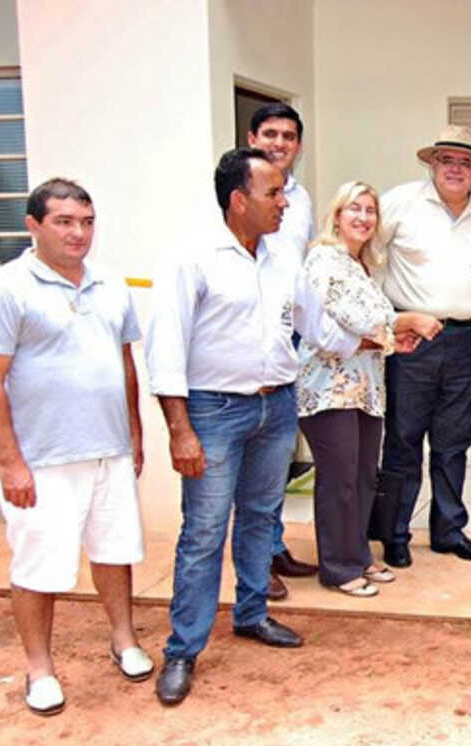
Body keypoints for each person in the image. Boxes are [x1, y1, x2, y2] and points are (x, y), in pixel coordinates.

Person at [146, 147, 370, 705]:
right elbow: (166, 351)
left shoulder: (283, 258)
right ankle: (182, 649)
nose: (284, 202)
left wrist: (386, 337)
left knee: (260, 518)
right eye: (274, 193)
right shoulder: (193, 258)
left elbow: (320, 329)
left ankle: (251, 615)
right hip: (213, 411)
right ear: (238, 199)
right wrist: (180, 429)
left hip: (276, 409)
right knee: (203, 532)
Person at [0, 179, 153, 716]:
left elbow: (125, 361)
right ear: (34, 225)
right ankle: (39, 669)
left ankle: (124, 640)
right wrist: (9, 461)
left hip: (108, 449)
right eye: (64, 221)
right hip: (41, 459)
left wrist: (133, 430)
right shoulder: (10, 286)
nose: (78, 233)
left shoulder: (111, 284)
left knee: (114, 551)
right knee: (40, 566)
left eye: (87, 222)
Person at [368, 125, 471, 568]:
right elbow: (367, 258)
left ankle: (449, 531)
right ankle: (394, 534)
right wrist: (384, 322)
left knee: (454, 441)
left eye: (466, 162)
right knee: (403, 441)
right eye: (447, 160)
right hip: (410, 340)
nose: (456, 169)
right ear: (432, 163)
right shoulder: (400, 202)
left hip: (463, 341)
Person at [297, 181, 442, 596]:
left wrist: (396, 335)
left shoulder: (364, 264)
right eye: (353, 209)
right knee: (339, 479)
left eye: (370, 211)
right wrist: (407, 321)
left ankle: (357, 555)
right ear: (337, 216)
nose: (363, 218)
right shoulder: (324, 259)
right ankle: (338, 567)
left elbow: (372, 322)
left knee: (362, 477)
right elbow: (353, 316)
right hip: (328, 389)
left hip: (365, 388)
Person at [247, 102, 319, 600]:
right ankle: (254, 563)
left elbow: (302, 267)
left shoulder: (301, 198)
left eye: (289, 136)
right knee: (249, 461)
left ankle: (272, 546)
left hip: (288, 335)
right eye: (270, 133)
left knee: (275, 456)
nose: (279, 143)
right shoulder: (236, 191)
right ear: (252, 138)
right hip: (247, 341)